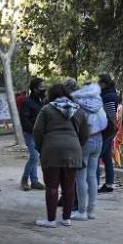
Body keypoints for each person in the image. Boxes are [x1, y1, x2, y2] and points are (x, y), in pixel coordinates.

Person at [32, 83, 89, 227]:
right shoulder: (79, 111)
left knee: (51, 187)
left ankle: (51, 220)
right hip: (73, 150)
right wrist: (76, 146)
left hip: (51, 150)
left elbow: (37, 131)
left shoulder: (46, 109)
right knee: (69, 187)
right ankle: (66, 218)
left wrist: (40, 148)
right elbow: (85, 134)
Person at [63, 78, 107, 220]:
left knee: (80, 177)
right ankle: (91, 211)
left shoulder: (76, 103)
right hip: (99, 139)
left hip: (84, 141)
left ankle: (81, 211)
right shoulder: (98, 100)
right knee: (92, 176)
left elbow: (73, 124)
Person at [19, 78, 47, 191]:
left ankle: (34, 181)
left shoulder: (41, 102)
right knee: (35, 157)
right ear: (35, 89)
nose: (44, 89)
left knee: (35, 157)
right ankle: (24, 179)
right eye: (41, 87)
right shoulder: (27, 102)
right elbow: (24, 119)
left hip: (40, 134)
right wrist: (33, 130)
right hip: (30, 134)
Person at [98, 73, 119, 193]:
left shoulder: (108, 96)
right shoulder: (110, 94)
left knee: (95, 158)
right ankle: (109, 184)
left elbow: (110, 115)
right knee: (106, 158)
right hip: (109, 129)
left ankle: (94, 184)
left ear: (104, 84)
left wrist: (105, 127)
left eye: (99, 83)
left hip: (106, 130)